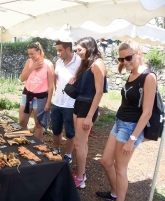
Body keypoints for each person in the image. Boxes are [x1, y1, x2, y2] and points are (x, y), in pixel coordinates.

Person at [96, 39, 156, 201]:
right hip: (119, 123)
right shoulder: (132, 73)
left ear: (139, 54)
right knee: (106, 161)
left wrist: (133, 139)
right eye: (121, 59)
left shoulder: (148, 77)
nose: (125, 62)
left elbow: (147, 112)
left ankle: (119, 198)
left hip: (130, 127)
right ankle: (115, 193)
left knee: (120, 169)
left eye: (128, 58)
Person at [70, 37, 107, 188]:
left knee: (78, 144)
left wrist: (90, 116)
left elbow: (99, 93)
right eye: (76, 49)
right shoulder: (87, 64)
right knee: (81, 143)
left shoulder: (98, 64)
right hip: (79, 104)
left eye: (79, 49)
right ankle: (81, 173)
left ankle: (80, 178)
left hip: (87, 107)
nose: (77, 53)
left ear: (89, 48)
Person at [51, 40, 81, 164]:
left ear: (68, 49)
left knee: (70, 132)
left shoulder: (79, 61)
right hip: (57, 102)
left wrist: (76, 81)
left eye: (60, 50)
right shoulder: (58, 62)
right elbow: (55, 76)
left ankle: (68, 154)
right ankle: (56, 149)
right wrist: (57, 87)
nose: (58, 53)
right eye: (57, 50)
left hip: (71, 104)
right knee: (56, 129)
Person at [19, 42, 54, 140]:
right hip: (27, 95)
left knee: (38, 123)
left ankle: (36, 145)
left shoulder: (48, 64)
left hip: (41, 97)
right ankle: (24, 142)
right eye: (29, 54)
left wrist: (48, 102)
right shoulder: (29, 62)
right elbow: (22, 78)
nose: (30, 56)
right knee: (22, 121)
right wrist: (32, 68)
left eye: (32, 54)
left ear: (39, 52)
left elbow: (51, 85)